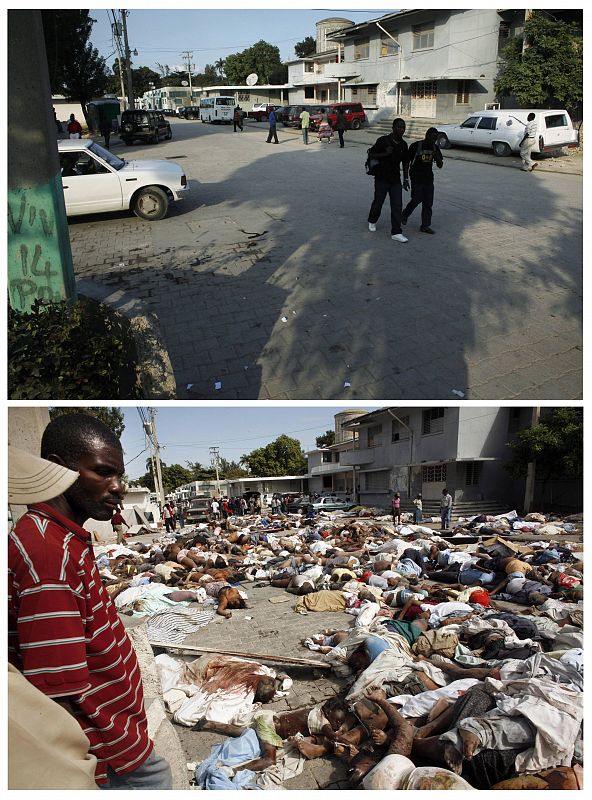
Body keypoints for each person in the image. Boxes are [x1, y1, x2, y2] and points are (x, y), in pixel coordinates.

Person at [8, 413, 172, 789]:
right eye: (102, 473)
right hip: (103, 741)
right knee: (157, 780)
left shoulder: (60, 539)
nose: (116, 487)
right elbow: (54, 688)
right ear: (58, 468)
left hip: (115, 727)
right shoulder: (50, 555)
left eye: (119, 475)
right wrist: (77, 766)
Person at [367, 117, 410, 243]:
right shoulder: (383, 141)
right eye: (399, 127)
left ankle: (396, 232)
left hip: (395, 180)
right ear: (393, 128)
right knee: (378, 202)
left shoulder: (403, 145)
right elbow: (371, 154)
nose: (402, 129)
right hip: (381, 177)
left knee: (397, 205)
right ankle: (372, 220)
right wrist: (385, 154)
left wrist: (406, 178)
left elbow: (406, 162)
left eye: (403, 127)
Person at [402, 127, 443, 234]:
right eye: (431, 138)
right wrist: (405, 178)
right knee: (416, 199)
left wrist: (436, 154)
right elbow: (406, 162)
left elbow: (440, 165)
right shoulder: (416, 146)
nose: (433, 140)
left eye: (435, 138)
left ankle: (425, 226)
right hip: (416, 178)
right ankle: (405, 214)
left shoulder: (435, 148)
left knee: (428, 204)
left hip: (429, 180)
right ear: (426, 135)